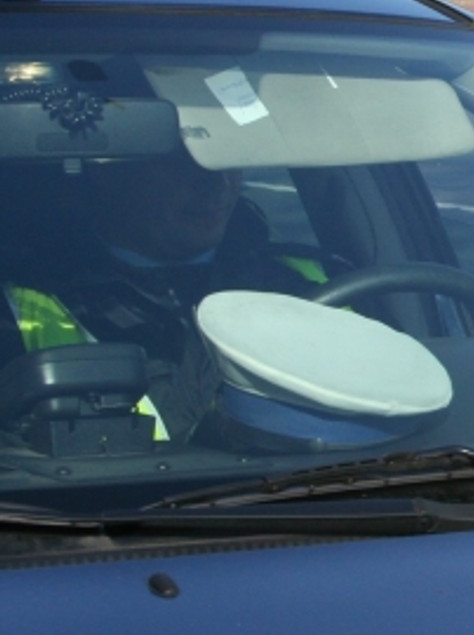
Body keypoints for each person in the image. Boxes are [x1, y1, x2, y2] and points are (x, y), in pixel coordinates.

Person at [2, 147, 330, 441]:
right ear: (106, 169)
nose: (218, 185)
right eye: (185, 163)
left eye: (228, 159)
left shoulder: (306, 279)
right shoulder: (16, 310)